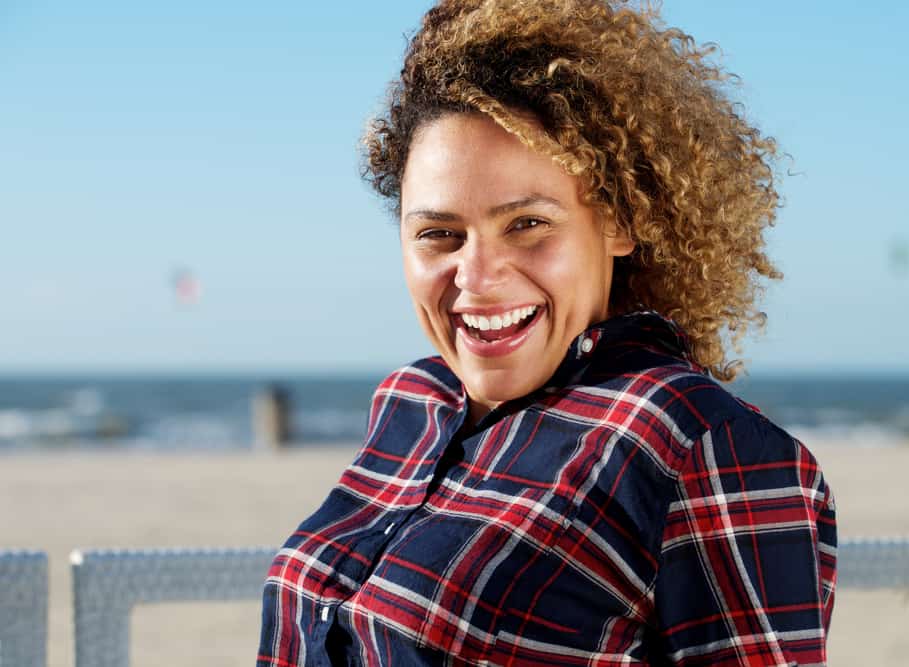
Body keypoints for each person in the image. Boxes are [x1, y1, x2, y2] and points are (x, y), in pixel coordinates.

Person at [257, 1, 837, 665]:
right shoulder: (410, 402)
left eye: (526, 224)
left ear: (618, 221)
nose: (475, 275)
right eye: (439, 234)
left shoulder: (698, 446)